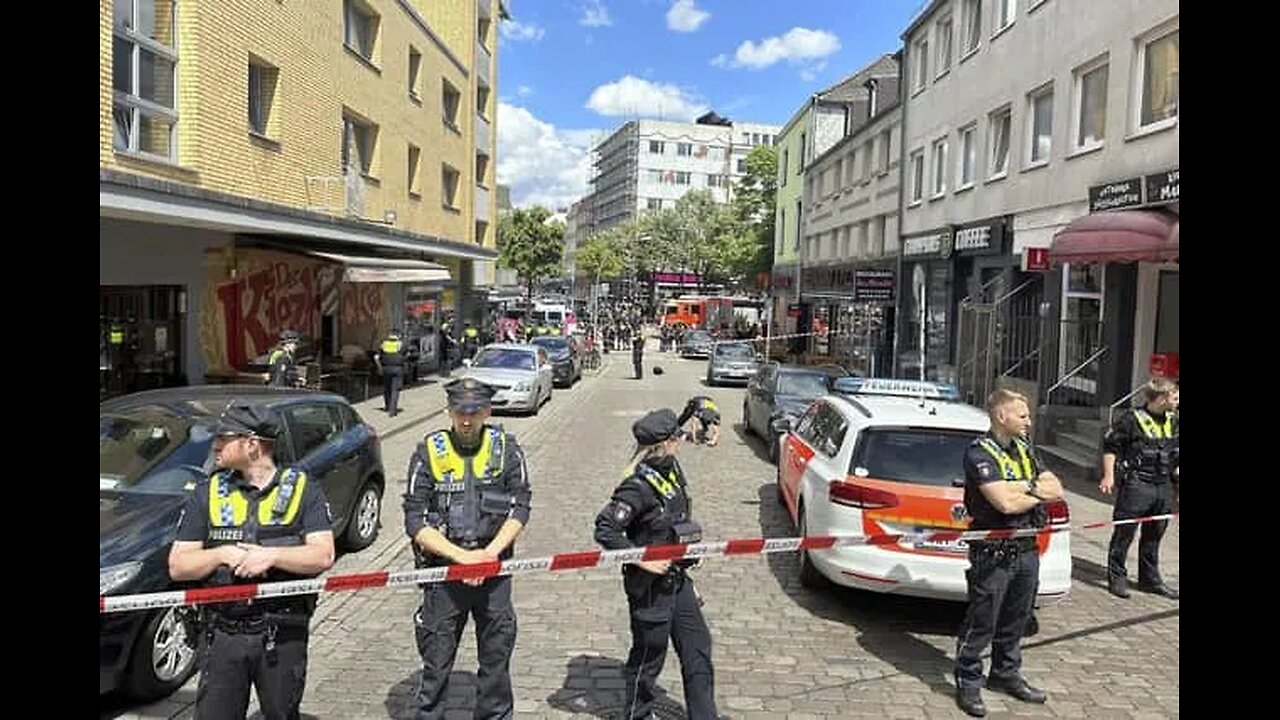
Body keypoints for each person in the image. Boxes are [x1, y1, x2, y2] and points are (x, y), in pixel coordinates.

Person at [168, 401, 335, 720]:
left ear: (252, 444)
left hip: (282, 633)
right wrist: (221, 553)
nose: (215, 444)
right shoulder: (209, 492)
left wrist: (272, 556)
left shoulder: (303, 489)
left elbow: (323, 554)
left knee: (281, 713)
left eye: (223, 438)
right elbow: (178, 565)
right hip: (222, 634)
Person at [403, 378, 533, 720]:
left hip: (494, 573)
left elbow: (521, 507)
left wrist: (488, 557)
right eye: (460, 411)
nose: (466, 419)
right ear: (449, 411)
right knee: (436, 663)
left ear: (487, 411)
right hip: (445, 574)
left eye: (474, 412)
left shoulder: (506, 449)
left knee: (496, 663)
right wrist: (462, 558)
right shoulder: (428, 451)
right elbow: (415, 520)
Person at [594, 408, 720, 720]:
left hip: (678, 580)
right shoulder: (636, 487)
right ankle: (637, 713)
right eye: (675, 438)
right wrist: (642, 559)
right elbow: (605, 528)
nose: (680, 441)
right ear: (660, 445)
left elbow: (678, 518)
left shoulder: (671, 468)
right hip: (650, 587)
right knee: (649, 656)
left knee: (698, 648)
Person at [954, 389, 1064, 718]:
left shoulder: (1025, 448)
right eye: (1023, 415)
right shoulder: (979, 453)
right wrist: (1033, 488)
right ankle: (969, 681)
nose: (1029, 421)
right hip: (993, 550)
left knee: (1017, 619)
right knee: (982, 621)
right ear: (1002, 416)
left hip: (1027, 546)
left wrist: (1022, 488)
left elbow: (1056, 488)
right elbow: (1004, 503)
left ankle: (1004, 674)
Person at [1100, 378, 1180, 600]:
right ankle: (1117, 578)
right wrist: (1109, 476)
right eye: (1175, 397)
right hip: (1137, 485)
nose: (1178, 401)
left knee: (1154, 534)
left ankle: (1150, 580)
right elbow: (1110, 447)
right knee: (1124, 534)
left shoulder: (1174, 421)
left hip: (1162, 486)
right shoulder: (1130, 419)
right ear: (1162, 398)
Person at [377, 328, 406, 417]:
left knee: (386, 388)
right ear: (398, 335)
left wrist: (380, 367)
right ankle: (392, 411)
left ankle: (387, 406)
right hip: (397, 369)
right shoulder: (400, 344)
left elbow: (378, 356)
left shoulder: (383, 344)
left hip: (386, 368)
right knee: (395, 390)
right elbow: (405, 355)